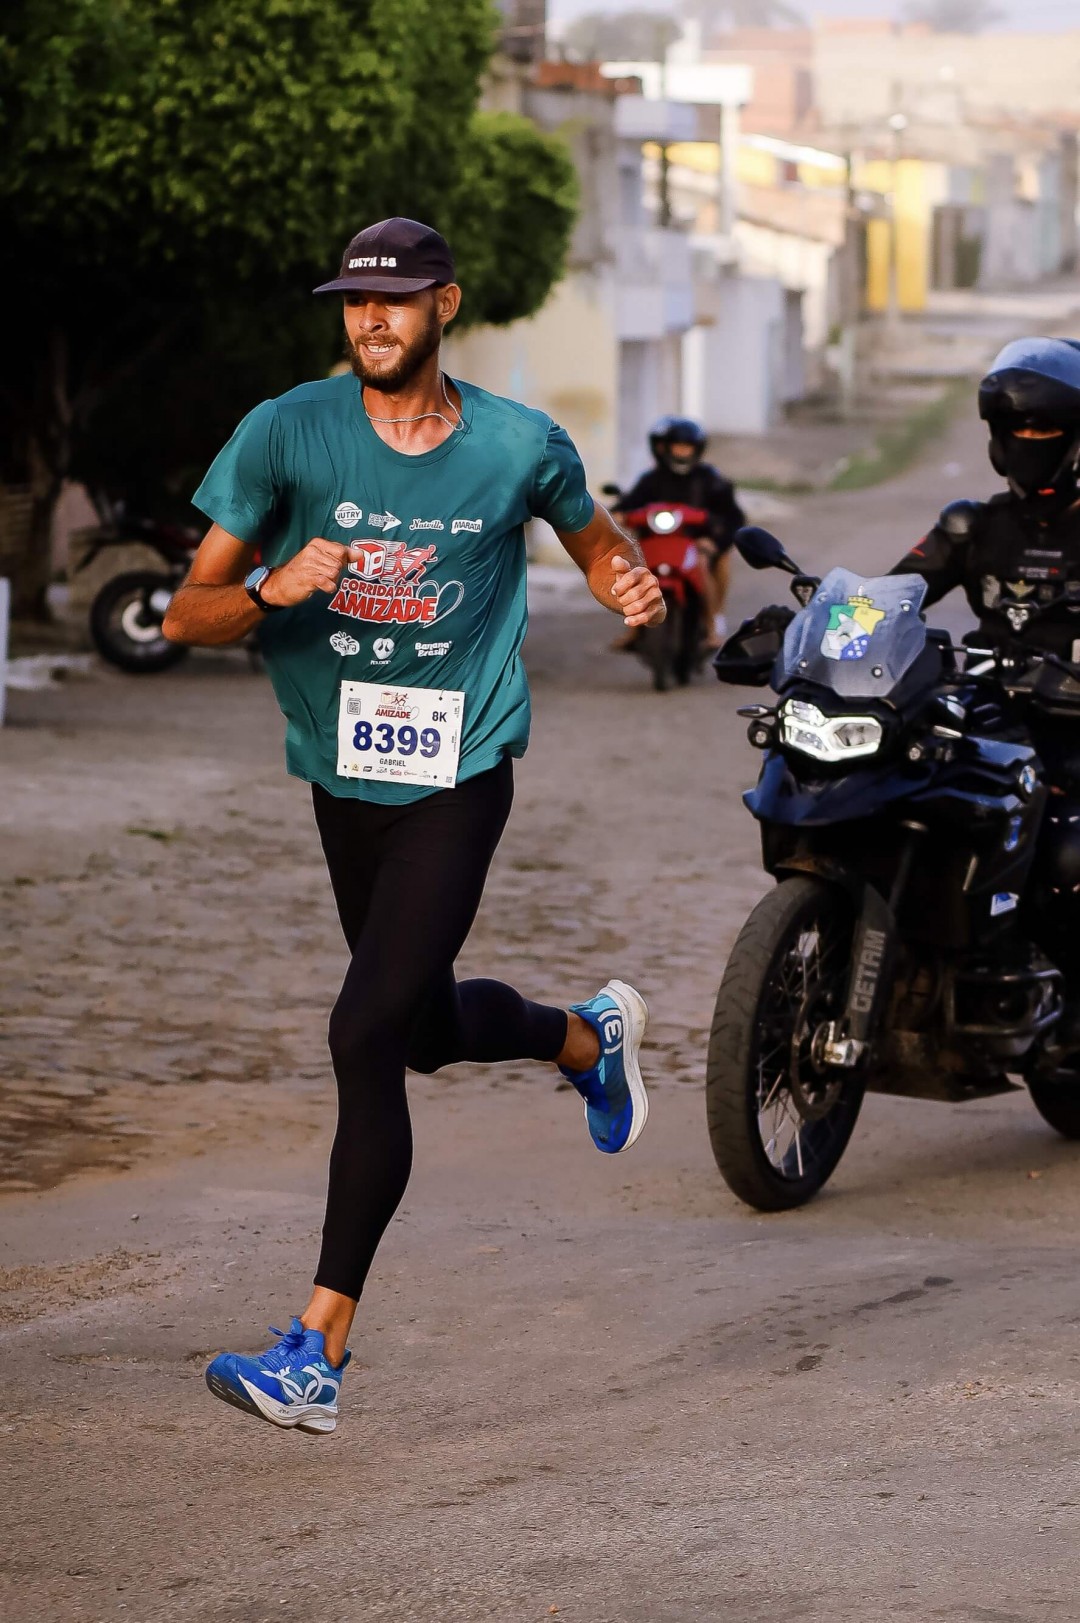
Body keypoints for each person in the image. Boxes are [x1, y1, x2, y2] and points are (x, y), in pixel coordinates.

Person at [161, 217, 666, 1435]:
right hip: (344, 778)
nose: (371, 320)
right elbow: (185, 613)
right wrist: (273, 586)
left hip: (459, 771)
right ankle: (586, 1040)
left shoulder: (518, 444)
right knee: (424, 1032)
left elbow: (598, 548)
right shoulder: (288, 430)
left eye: (393, 300)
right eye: (354, 302)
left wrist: (629, 586)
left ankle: (317, 1353)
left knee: (364, 1032)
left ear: (447, 305)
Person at [889, 336, 1080, 1030]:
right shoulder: (972, 526)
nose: (1028, 440)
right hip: (987, 714)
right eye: (1016, 427)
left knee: (1068, 858)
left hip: (1071, 730)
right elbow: (891, 595)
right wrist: (816, 621)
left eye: (1045, 428)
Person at [612, 415, 746, 650]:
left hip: (698, 544)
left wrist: (715, 541)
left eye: (687, 447)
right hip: (659, 543)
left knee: (709, 563)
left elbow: (733, 517)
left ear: (697, 449)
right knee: (635, 570)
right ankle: (633, 628)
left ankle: (713, 624)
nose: (682, 452)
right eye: (678, 447)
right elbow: (627, 506)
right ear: (665, 448)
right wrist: (620, 514)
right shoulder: (652, 479)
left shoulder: (711, 480)